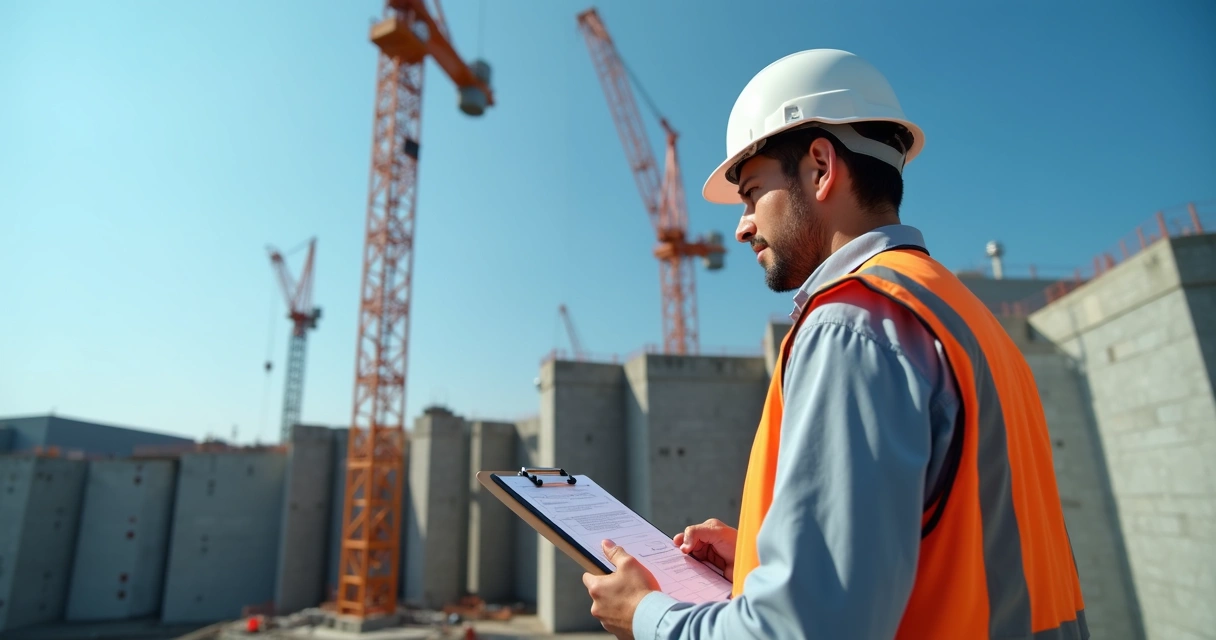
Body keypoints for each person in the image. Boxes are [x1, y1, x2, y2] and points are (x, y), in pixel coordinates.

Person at [580, 49, 1088, 639]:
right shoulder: (965, 318)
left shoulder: (853, 323)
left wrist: (647, 616)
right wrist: (760, 559)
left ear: (820, 166)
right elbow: (952, 549)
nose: (742, 225)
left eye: (751, 193)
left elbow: (805, 631)